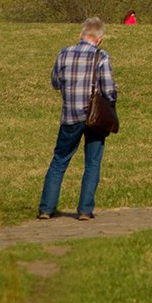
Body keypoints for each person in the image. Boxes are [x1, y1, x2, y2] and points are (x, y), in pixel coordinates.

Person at [39, 17, 118, 221]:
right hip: (95, 118)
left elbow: (56, 82)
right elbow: (109, 90)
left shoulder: (64, 53)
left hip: (70, 115)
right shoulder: (101, 56)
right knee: (92, 163)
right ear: (100, 39)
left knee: (59, 161)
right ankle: (84, 209)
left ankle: (46, 208)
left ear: (80, 35)